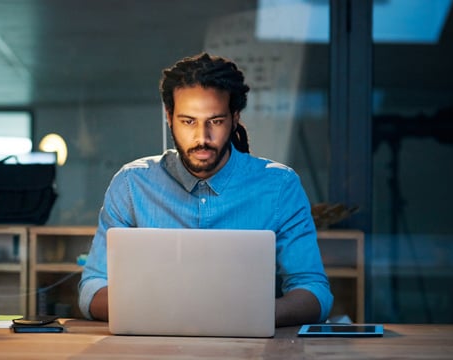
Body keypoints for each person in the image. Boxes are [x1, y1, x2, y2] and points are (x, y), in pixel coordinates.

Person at [78, 53, 333, 327]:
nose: (202, 137)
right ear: (169, 116)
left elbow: (314, 291)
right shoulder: (131, 184)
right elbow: (92, 288)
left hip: (248, 349)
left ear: (235, 118)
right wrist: (160, 310)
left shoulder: (280, 186)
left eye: (216, 121)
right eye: (188, 121)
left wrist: (258, 314)